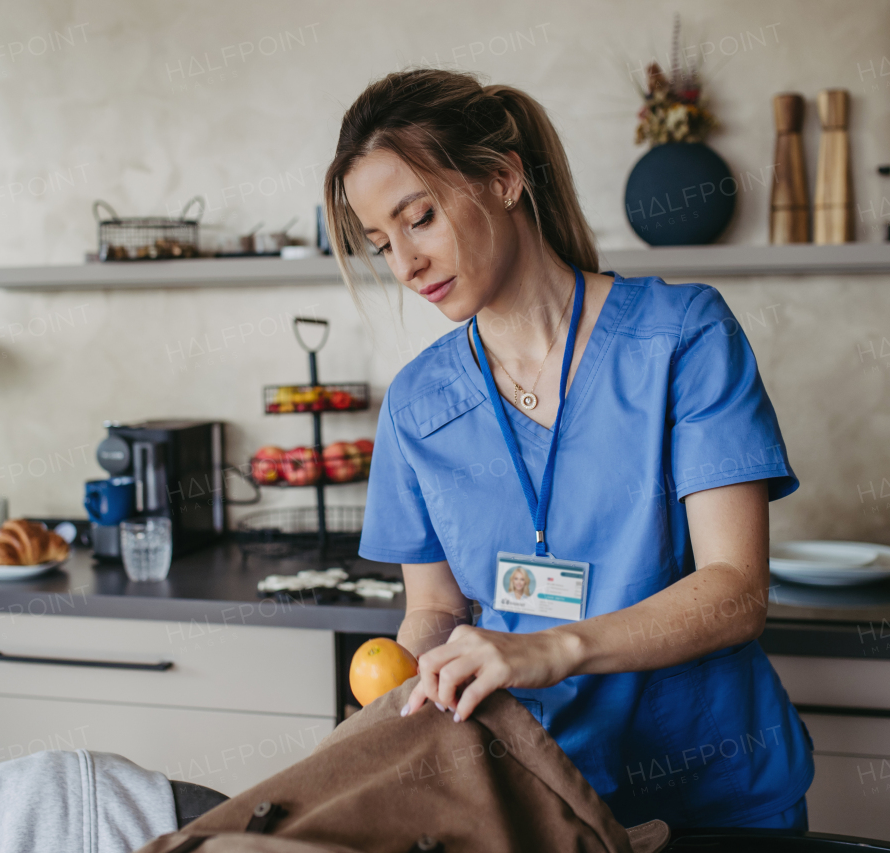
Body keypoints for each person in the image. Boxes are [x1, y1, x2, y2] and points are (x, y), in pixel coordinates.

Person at [323, 69, 814, 831]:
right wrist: (414, 678)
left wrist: (547, 650)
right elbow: (436, 609)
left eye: (418, 218)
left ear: (504, 177)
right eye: (382, 242)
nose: (405, 265)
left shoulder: (680, 336)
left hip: (717, 795)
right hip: (538, 803)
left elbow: (735, 590)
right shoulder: (418, 405)